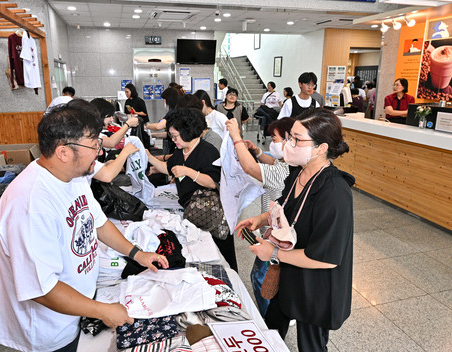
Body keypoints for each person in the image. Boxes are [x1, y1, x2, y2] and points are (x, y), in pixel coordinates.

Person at [0, 105, 168, 352]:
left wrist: (137, 254)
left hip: (75, 312)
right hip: (46, 331)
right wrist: (103, 311)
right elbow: (42, 289)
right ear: (63, 152)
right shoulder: (30, 204)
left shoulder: (74, 177)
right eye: (93, 144)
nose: (99, 151)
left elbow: (98, 223)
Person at [236, 108, 354, 352]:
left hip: (316, 285)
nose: (289, 144)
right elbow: (288, 211)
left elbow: (327, 258)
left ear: (321, 148)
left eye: (297, 140)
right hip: (290, 274)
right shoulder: (297, 173)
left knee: (310, 344)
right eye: (289, 137)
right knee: (272, 328)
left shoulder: (334, 192)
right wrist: (261, 219)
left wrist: (274, 254)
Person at [147, 107, 237, 271]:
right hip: (193, 212)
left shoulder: (207, 151)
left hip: (212, 215)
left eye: (175, 136)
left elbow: (214, 182)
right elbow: (169, 168)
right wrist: (149, 158)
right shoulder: (181, 150)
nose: (173, 140)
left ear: (188, 132)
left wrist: (189, 172)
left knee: (220, 257)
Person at [226, 117, 295, 315]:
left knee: (260, 278)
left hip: (276, 238)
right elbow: (273, 162)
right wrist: (257, 152)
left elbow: (251, 168)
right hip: (272, 230)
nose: (272, 142)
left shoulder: (283, 172)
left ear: (289, 139)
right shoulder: (288, 164)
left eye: (274, 138)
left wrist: (236, 138)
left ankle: (270, 318)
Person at [67, 98, 139, 183]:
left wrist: (104, 165)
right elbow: (111, 142)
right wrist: (125, 152)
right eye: (109, 116)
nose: (112, 120)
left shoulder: (85, 137)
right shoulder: (80, 142)